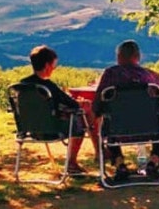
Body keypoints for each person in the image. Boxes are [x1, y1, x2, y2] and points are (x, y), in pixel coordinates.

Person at [93, 40, 159, 182]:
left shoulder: (110, 75)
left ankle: (119, 164)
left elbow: (97, 105)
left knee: (107, 120)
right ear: (138, 57)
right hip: (152, 129)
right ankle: (154, 161)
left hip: (118, 130)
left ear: (118, 57)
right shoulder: (153, 77)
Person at [14, 45, 98, 176]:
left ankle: (97, 152)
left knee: (81, 113)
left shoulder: (22, 85)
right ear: (47, 65)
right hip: (52, 130)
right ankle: (73, 162)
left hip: (29, 129)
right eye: (54, 65)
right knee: (80, 119)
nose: (54, 68)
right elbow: (73, 105)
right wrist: (82, 103)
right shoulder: (48, 87)